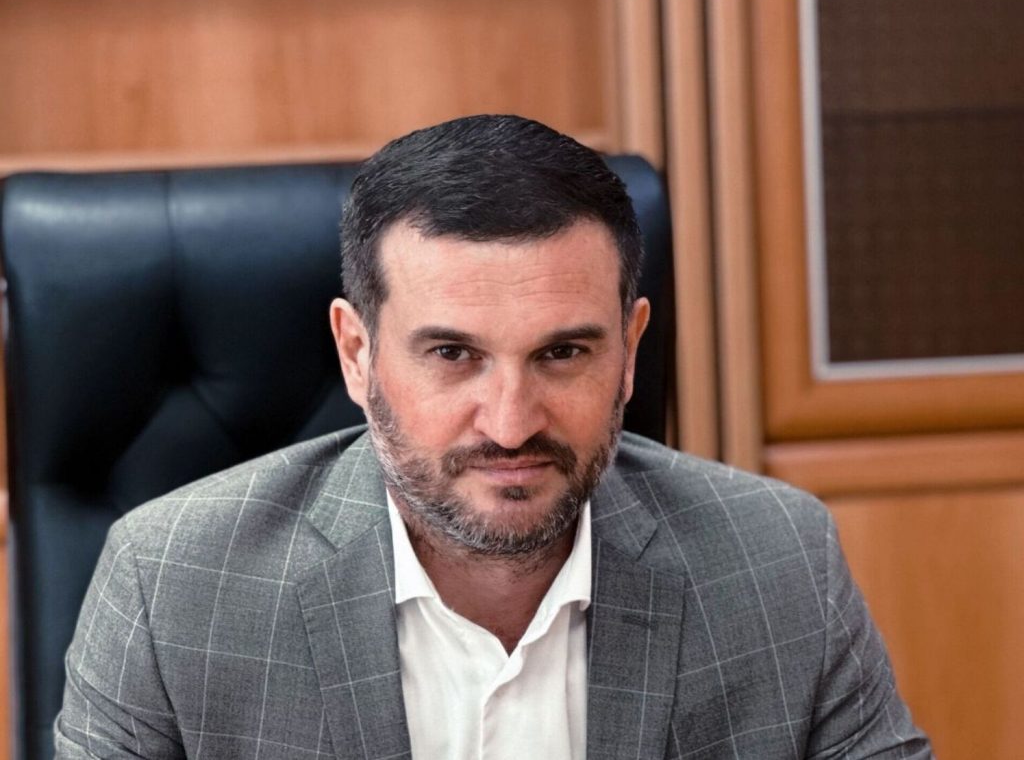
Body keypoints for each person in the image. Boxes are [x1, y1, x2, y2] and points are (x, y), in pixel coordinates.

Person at [55, 114, 931, 759]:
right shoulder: (172, 587)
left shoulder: (779, 563)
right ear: (357, 354)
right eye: (453, 355)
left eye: (562, 354)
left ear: (629, 352)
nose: (511, 422)